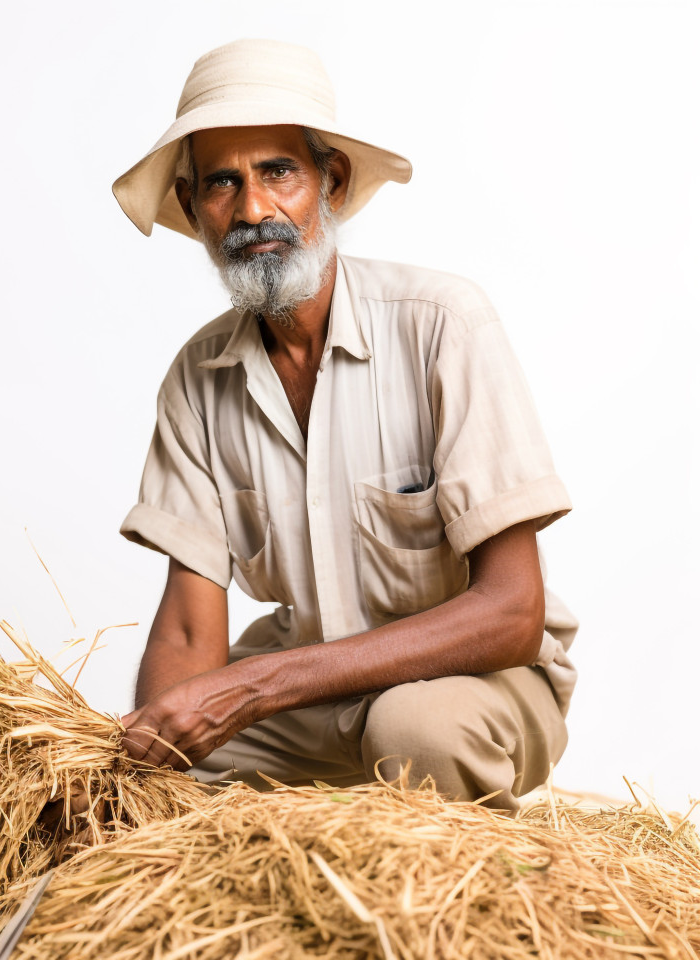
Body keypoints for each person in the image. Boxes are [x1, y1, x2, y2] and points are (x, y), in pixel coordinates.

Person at [113, 39, 577, 811]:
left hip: (473, 687)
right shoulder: (197, 381)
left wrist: (259, 683)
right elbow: (191, 641)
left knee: (416, 731)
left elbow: (512, 611)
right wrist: (149, 757)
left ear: (328, 181)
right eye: (223, 183)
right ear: (193, 210)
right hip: (303, 705)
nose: (253, 209)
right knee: (135, 785)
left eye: (277, 172)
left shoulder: (440, 324)